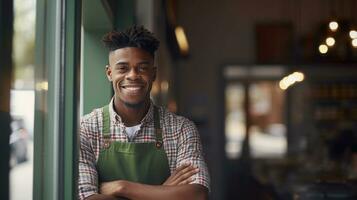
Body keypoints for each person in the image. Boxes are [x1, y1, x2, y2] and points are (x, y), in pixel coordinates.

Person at [78, 25, 210, 200]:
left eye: (142, 68)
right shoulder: (86, 129)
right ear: (109, 73)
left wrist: (121, 187)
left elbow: (197, 195)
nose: (132, 75)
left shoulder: (181, 129)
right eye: (123, 68)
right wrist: (163, 191)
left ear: (153, 74)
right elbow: (87, 198)